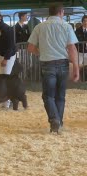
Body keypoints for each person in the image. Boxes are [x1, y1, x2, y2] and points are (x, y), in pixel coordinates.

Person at [27, 3, 79, 133]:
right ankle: (58, 123)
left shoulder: (39, 27)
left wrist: (42, 52)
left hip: (47, 64)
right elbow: (72, 48)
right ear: (61, 12)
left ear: (49, 13)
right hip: (63, 64)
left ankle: (54, 120)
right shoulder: (67, 26)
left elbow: (30, 48)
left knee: (48, 96)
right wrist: (77, 68)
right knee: (60, 96)